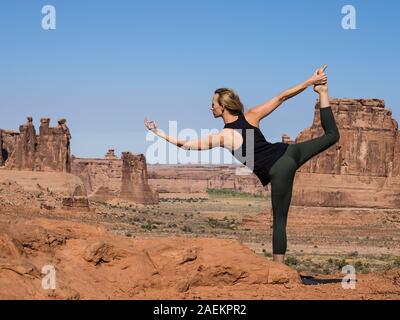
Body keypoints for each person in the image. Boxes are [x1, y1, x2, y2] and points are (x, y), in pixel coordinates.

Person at [144, 65, 340, 264]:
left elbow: (186, 144)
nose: (210, 107)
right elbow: (282, 97)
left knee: (279, 221)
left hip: (279, 169)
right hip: (290, 151)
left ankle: (278, 269)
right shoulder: (252, 115)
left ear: (222, 107)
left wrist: (158, 133)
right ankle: (323, 92)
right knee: (332, 136)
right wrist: (310, 82)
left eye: (213, 103)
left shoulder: (224, 136)